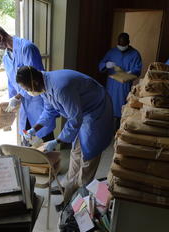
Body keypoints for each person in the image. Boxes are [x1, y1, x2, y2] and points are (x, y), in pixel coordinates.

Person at [16, 66, 113, 208]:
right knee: (76, 152)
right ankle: (67, 186)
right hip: (82, 112)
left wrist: (57, 141)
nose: (26, 92)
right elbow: (49, 111)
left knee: (89, 154)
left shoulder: (61, 87)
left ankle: (79, 197)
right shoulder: (44, 86)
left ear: (34, 83)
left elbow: (75, 119)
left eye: (26, 88)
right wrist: (33, 129)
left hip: (96, 110)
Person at [0, 25, 56, 145]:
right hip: (24, 108)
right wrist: (12, 100)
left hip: (38, 104)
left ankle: (52, 162)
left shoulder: (27, 48)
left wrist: (18, 97)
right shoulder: (6, 58)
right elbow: (11, 82)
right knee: (27, 142)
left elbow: (36, 80)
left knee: (46, 144)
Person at [99, 32, 142, 131]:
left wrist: (132, 72)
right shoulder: (111, 52)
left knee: (122, 108)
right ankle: (108, 131)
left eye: (123, 44)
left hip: (124, 86)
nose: (121, 46)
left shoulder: (135, 54)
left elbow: (137, 69)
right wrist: (106, 65)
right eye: (119, 44)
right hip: (111, 85)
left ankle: (119, 131)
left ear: (128, 42)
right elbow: (101, 65)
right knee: (109, 107)